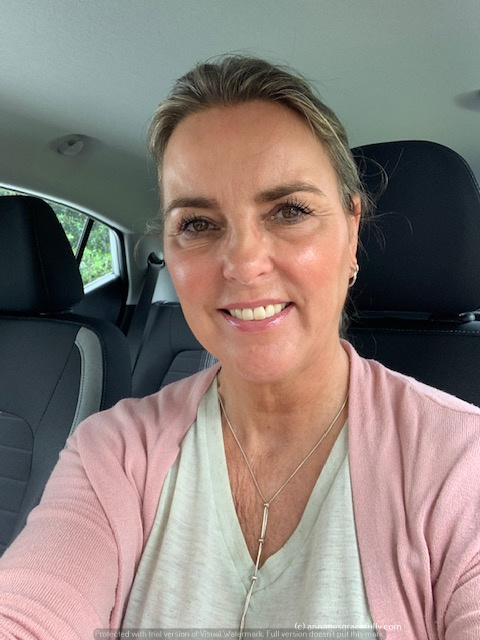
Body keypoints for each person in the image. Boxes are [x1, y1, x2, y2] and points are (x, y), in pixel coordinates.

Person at [0, 55, 479, 639]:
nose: (245, 265)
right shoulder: (114, 451)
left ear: (352, 231)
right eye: (198, 223)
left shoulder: (461, 465)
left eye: (290, 211)